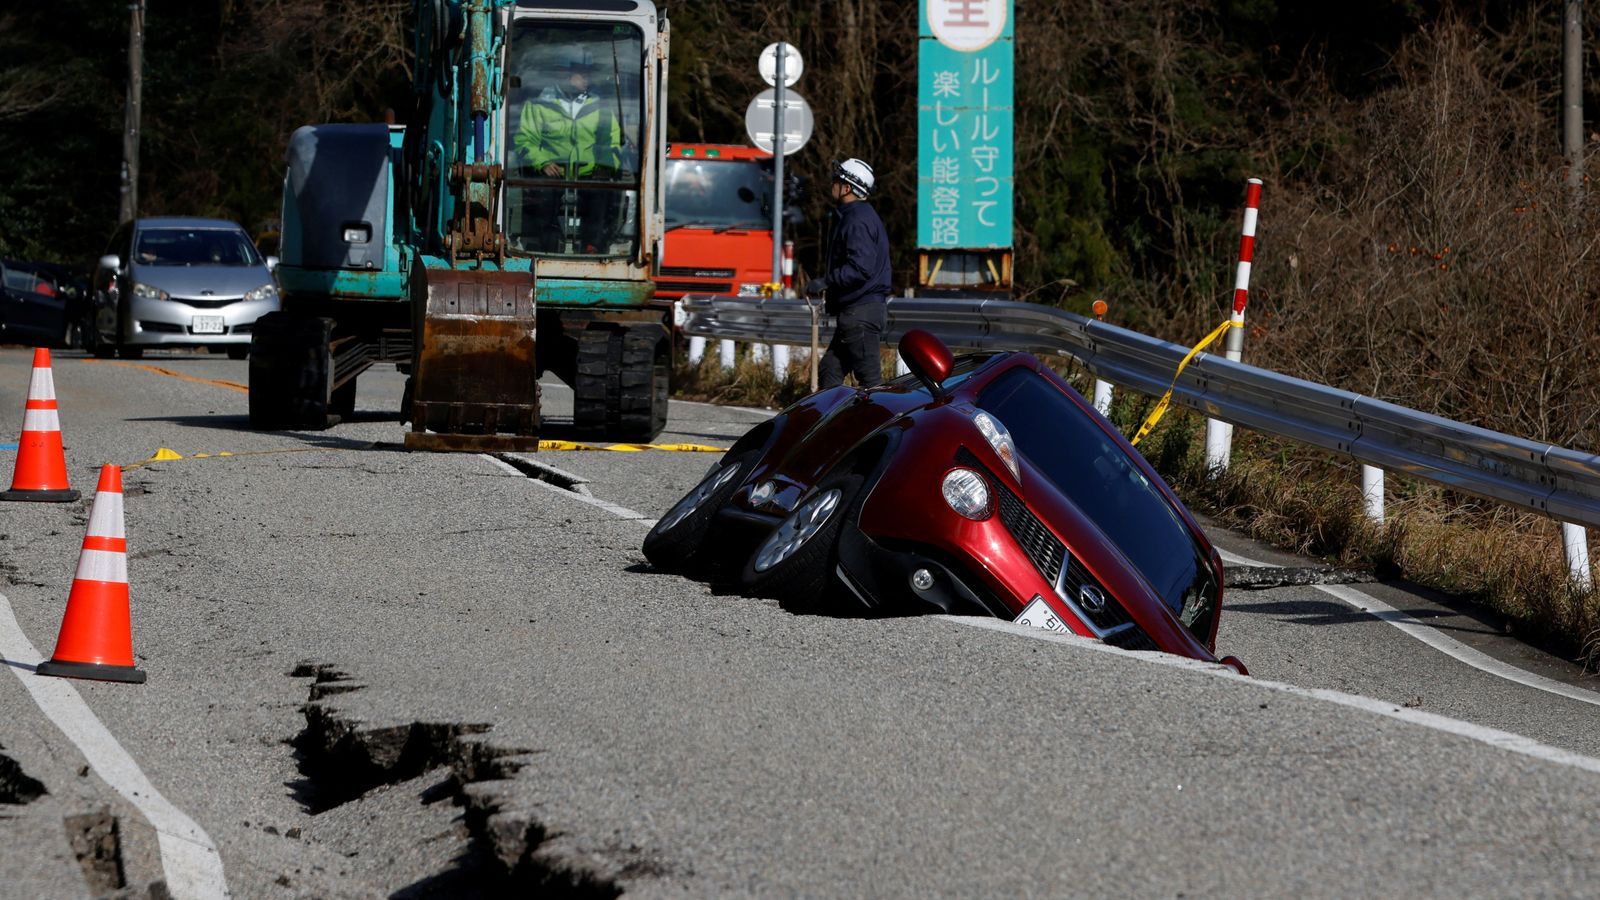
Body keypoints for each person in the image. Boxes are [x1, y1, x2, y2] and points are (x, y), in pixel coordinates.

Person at [514, 48, 624, 253]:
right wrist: (543, 162)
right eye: (582, 72)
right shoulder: (539, 105)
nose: (587, 78)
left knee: (601, 198)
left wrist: (606, 165)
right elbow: (524, 140)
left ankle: (593, 249)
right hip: (551, 174)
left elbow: (612, 141)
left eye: (588, 72)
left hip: (589, 175)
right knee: (543, 201)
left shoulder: (601, 106)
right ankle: (546, 249)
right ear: (564, 74)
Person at [805, 158, 891, 389]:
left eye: (837, 179)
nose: (832, 184)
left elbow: (860, 268)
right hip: (856, 312)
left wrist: (826, 281)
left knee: (870, 383)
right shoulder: (857, 216)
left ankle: (881, 423)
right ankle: (832, 422)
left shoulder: (857, 220)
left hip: (861, 313)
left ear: (847, 187)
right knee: (830, 371)